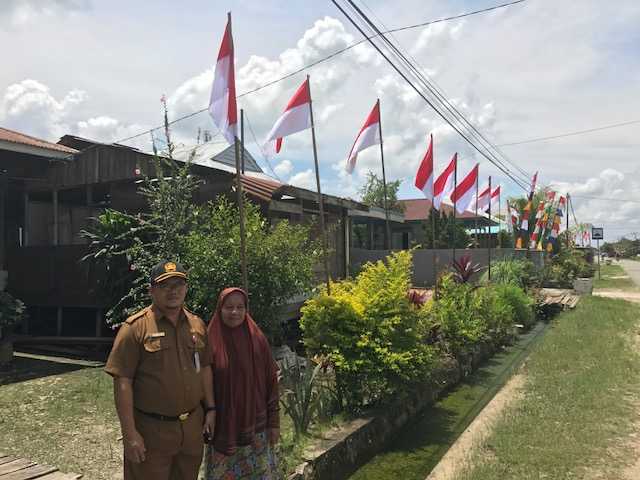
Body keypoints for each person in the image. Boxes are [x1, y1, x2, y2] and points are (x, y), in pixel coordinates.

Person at [105, 260, 217, 480]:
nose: (173, 291)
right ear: (151, 291)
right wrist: (130, 434)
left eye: (178, 284)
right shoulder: (135, 328)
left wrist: (211, 409)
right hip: (152, 431)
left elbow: (204, 368)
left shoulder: (197, 325)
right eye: (165, 285)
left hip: (191, 429)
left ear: (186, 288)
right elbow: (122, 381)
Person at [205, 287, 280, 480]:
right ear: (219, 309)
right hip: (223, 429)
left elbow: (271, 382)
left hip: (257, 431)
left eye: (240, 307)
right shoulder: (209, 342)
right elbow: (201, 387)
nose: (234, 312)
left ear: (246, 309)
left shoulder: (257, 340)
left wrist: (274, 423)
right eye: (229, 307)